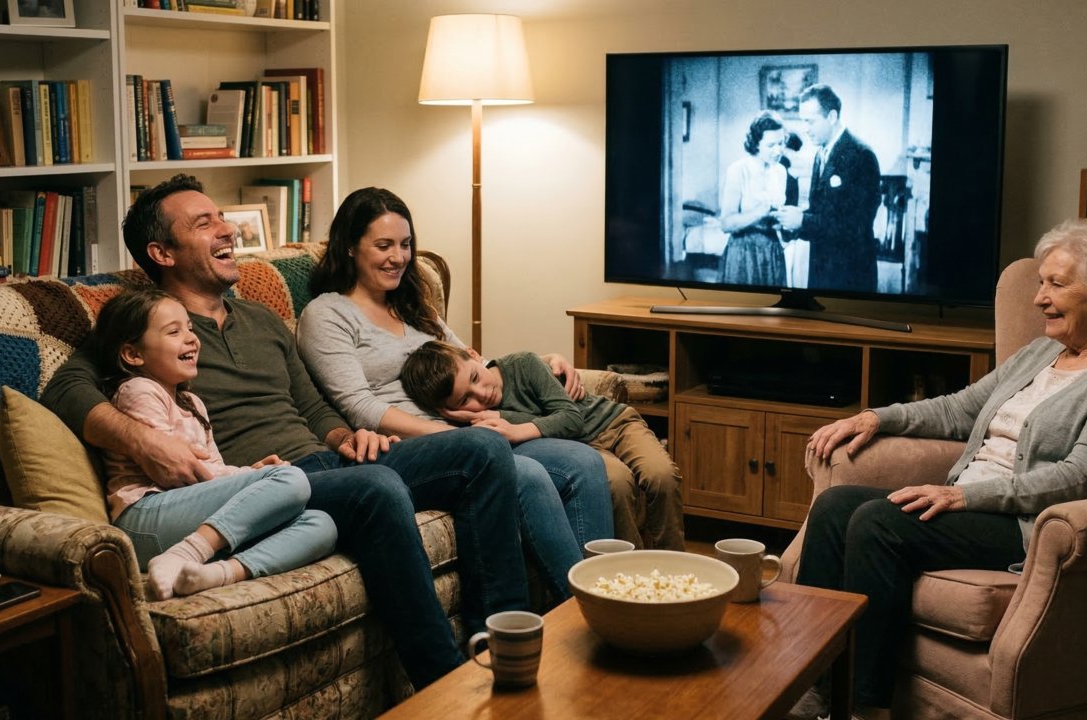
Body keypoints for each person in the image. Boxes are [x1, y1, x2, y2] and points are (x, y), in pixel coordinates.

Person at [42, 174, 530, 691]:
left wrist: (345, 437)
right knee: (379, 488)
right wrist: (143, 440)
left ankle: (502, 648)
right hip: (263, 483)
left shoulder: (262, 318)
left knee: (482, 448)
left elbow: (312, 407)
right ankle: (442, 686)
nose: (226, 229)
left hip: (332, 465)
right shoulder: (152, 328)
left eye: (222, 217)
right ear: (162, 252)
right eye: (204, 223)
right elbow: (64, 389)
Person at [787, 216, 1087, 720]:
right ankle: (812, 685)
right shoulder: (1043, 351)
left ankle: (865, 708)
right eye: (1041, 281)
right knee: (834, 508)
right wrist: (877, 416)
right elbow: (960, 409)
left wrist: (963, 496)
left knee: (877, 523)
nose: (1038, 297)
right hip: (970, 503)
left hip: (1027, 524)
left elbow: (1084, 475)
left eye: (1057, 285)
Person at [296, 187, 613, 605]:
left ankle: (609, 599)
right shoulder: (328, 314)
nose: (399, 257)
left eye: (406, 244)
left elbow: (472, 362)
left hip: (473, 434)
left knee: (584, 462)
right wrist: (449, 436)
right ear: (351, 248)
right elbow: (360, 406)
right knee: (532, 476)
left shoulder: (414, 305)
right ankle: (581, 612)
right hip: (424, 447)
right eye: (383, 245)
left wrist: (543, 360)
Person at [93, 287, 337, 601]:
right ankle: (185, 553)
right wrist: (253, 479)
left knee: (321, 523)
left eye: (191, 329)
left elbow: (214, 469)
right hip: (144, 517)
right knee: (292, 480)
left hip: (186, 520)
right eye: (173, 331)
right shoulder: (138, 390)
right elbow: (176, 474)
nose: (192, 338)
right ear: (133, 354)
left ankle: (214, 574)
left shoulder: (192, 402)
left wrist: (250, 474)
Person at [402, 341, 685, 551]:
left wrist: (508, 422)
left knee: (661, 475)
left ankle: (676, 568)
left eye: (475, 377)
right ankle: (632, 576)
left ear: (475, 355)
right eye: (465, 400)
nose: (482, 393)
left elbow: (571, 418)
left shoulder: (523, 364)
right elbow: (561, 436)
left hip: (613, 423)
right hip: (582, 447)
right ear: (448, 412)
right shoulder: (475, 425)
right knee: (617, 484)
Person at [774, 84, 881, 293]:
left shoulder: (861, 156)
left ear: (832, 117)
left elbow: (856, 225)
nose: (805, 128)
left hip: (850, 276)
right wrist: (794, 223)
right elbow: (822, 212)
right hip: (822, 272)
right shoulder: (820, 154)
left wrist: (803, 221)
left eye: (810, 121)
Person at [712, 110, 790, 287]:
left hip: (772, 252)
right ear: (756, 144)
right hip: (743, 254)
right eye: (771, 145)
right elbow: (726, 224)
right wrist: (760, 212)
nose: (778, 151)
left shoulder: (780, 171)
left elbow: (777, 219)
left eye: (781, 143)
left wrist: (785, 223)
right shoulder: (738, 170)